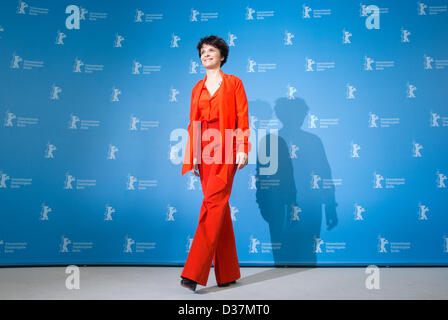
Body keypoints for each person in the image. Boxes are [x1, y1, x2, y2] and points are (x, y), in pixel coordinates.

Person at [180, 35, 251, 292]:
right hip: (205, 150)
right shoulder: (196, 88)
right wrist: (195, 154)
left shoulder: (234, 83)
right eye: (202, 52)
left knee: (212, 204)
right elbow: (194, 123)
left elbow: (242, 117)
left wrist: (243, 148)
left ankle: (193, 272)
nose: (205, 54)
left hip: (228, 147)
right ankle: (228, 272)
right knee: (218, 207)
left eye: (211, 50)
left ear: (222, 56)